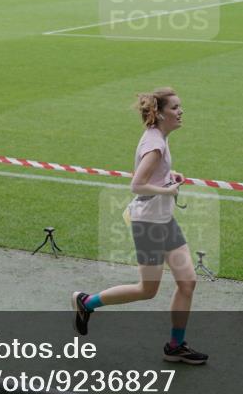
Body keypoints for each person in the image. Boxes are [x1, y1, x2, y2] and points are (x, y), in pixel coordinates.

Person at [72, 88, 207, 365]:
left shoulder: (159, 139)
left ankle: (175, 346)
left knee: (188, 282)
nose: (181, 112)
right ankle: (86, 303)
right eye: (175, 108)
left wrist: (170, 176)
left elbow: (149, 175)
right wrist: (168, 191)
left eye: (181, 107)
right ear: (160, 114)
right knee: (147, 290)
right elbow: (136, 184)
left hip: (164, 220)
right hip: (148, 222)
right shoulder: (155, 145)